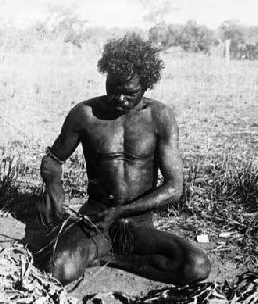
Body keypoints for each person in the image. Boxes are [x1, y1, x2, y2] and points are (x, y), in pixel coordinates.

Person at [32, 33, 211, 285]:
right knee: (56, 269)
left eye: (129, 93)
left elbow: (174, 188)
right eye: (113, 90)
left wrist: (121, 212)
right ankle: (98, 249)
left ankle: (112, 257)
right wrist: (53, 189)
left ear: (146, 85)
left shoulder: (160, 117)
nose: (119, 99)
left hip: (138, 225)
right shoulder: (84, 114)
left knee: (197, 265)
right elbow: (53, 158)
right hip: (96, 220)